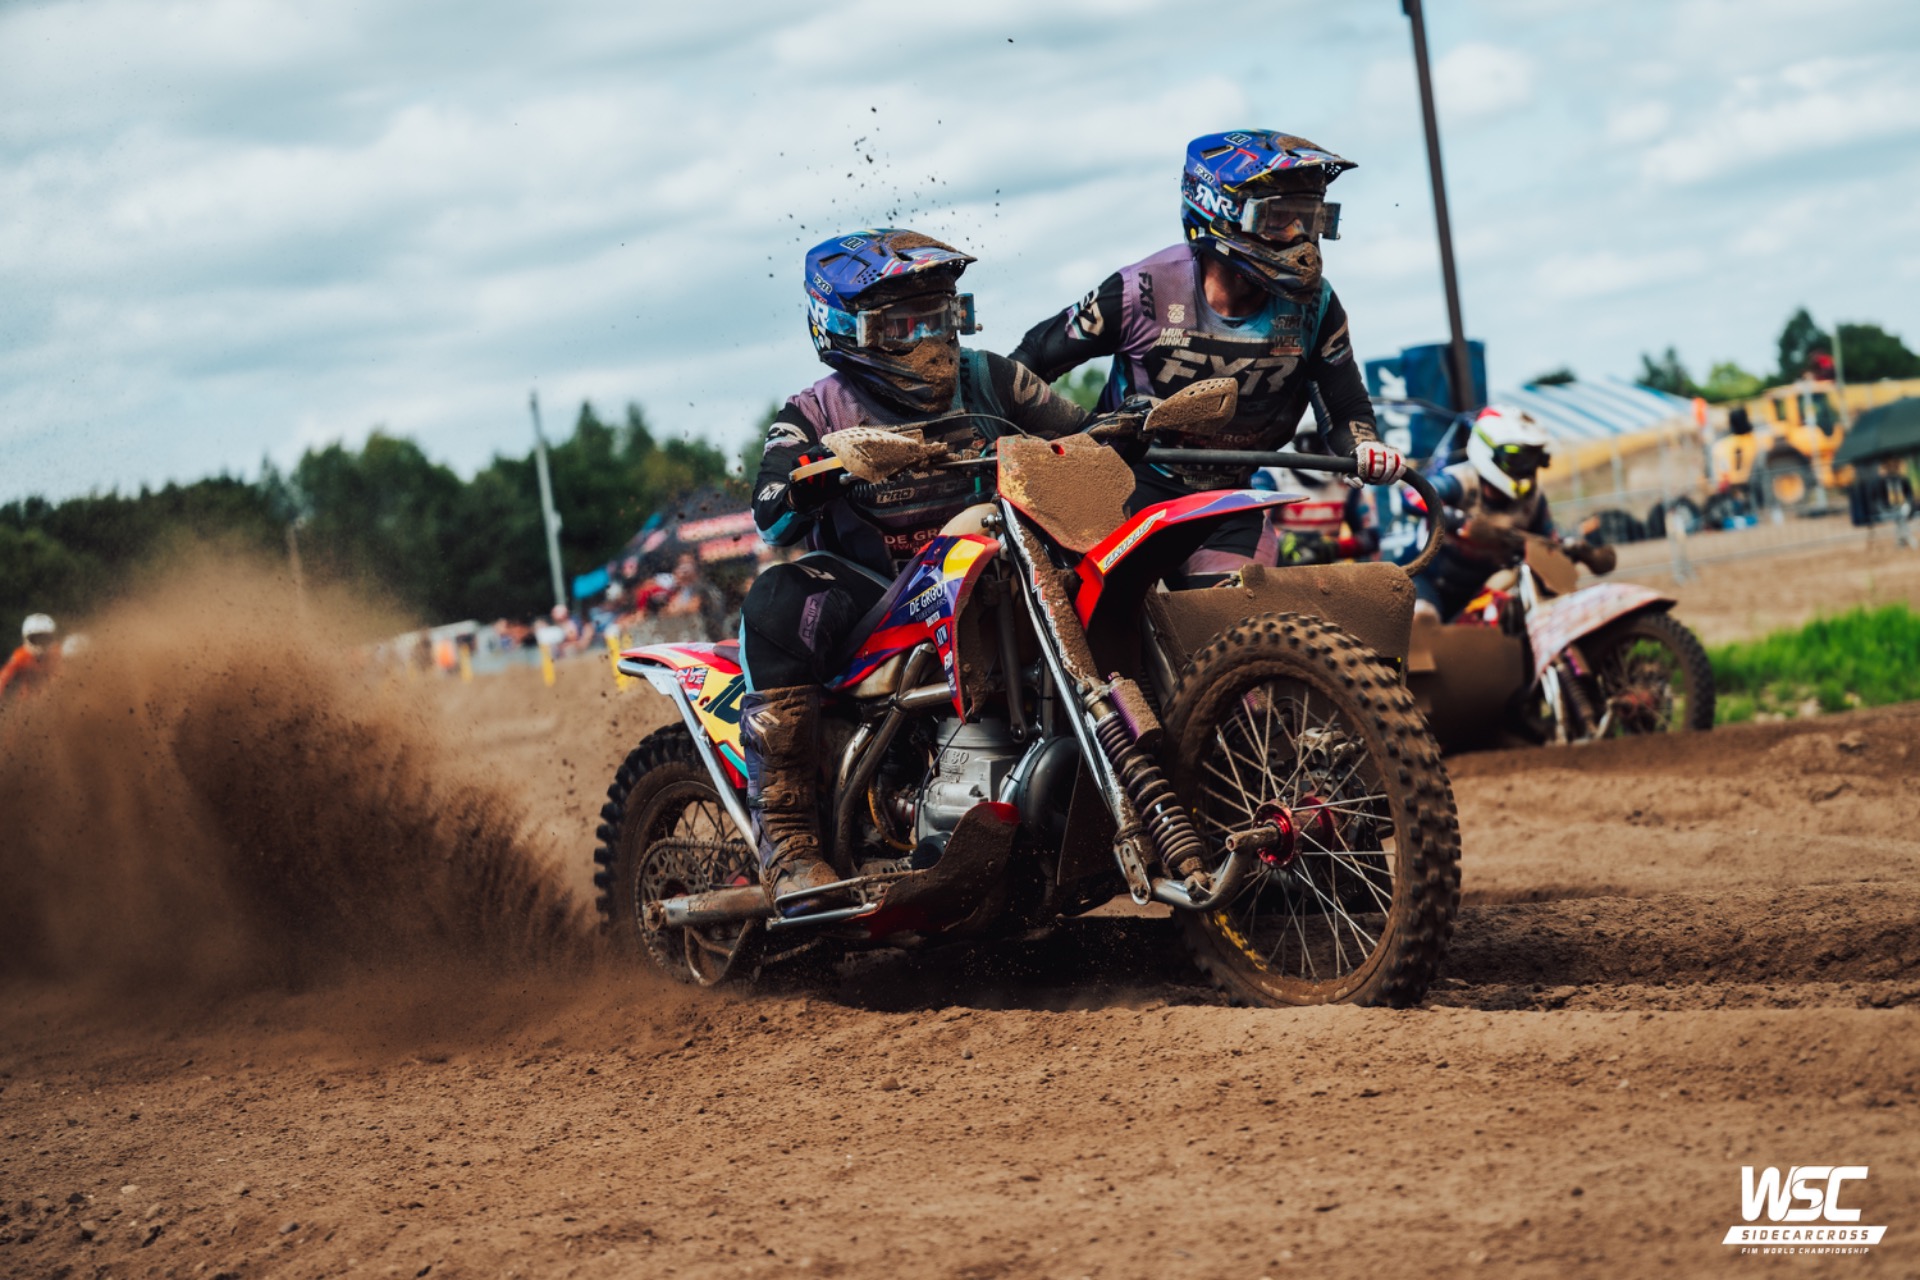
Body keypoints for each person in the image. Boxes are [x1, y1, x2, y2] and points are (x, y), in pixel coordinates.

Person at [742, 227, 1090, 911]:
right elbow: (771, 510)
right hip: (877, 594)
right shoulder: (815, 410)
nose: (931, 340)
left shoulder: (990, 378)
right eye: (904, 325)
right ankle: (789, 843)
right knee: (778, 598)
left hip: (991, 569)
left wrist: (1125, 427)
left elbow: (1079, 432)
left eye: (940, 317)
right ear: (847, 329)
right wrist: (818, 474)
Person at [1009, 129, 1405, 582]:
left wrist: (1365, 447)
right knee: (1107, 615)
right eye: (1280, 219)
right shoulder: (1142, 289)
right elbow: (1032, 358)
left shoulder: (1317, 306)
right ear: (1219, 212)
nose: (1301, 240)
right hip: (1124, 492)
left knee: (1238, 610)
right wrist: (1006, 439)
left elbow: (1345, 407)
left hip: (1229, 503)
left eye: (1311, 219)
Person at [1411, 406, 1613, 623]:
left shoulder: (1533, 500)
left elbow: (1547, 539)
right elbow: (1414, 495)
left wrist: (1572, 548)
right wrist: (1461, 522)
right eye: (1517, 459)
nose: (1527, 469)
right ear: (1488, 451)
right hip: (1431, 582)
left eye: (1534, 460)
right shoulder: (1462, 480)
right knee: (1423, 620)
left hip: (1484, 588)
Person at [1252, 428, 1380, 566]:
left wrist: (1333, 547)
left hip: (1328, 568)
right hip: (1280, 569)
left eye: (1332, 443)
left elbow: (1371, 538)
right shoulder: (1269, 478)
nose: (1327, 451)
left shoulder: (1347, 482)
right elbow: (1255, 530)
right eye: (1318, 443)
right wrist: (1285, 540)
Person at [0, 614, 61, 702]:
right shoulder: (20, 656)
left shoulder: (58, 653)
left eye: (44, 638)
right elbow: (3, 678)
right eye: (35, 639)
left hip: (55, 698)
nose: (40, 643)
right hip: (27, 702)